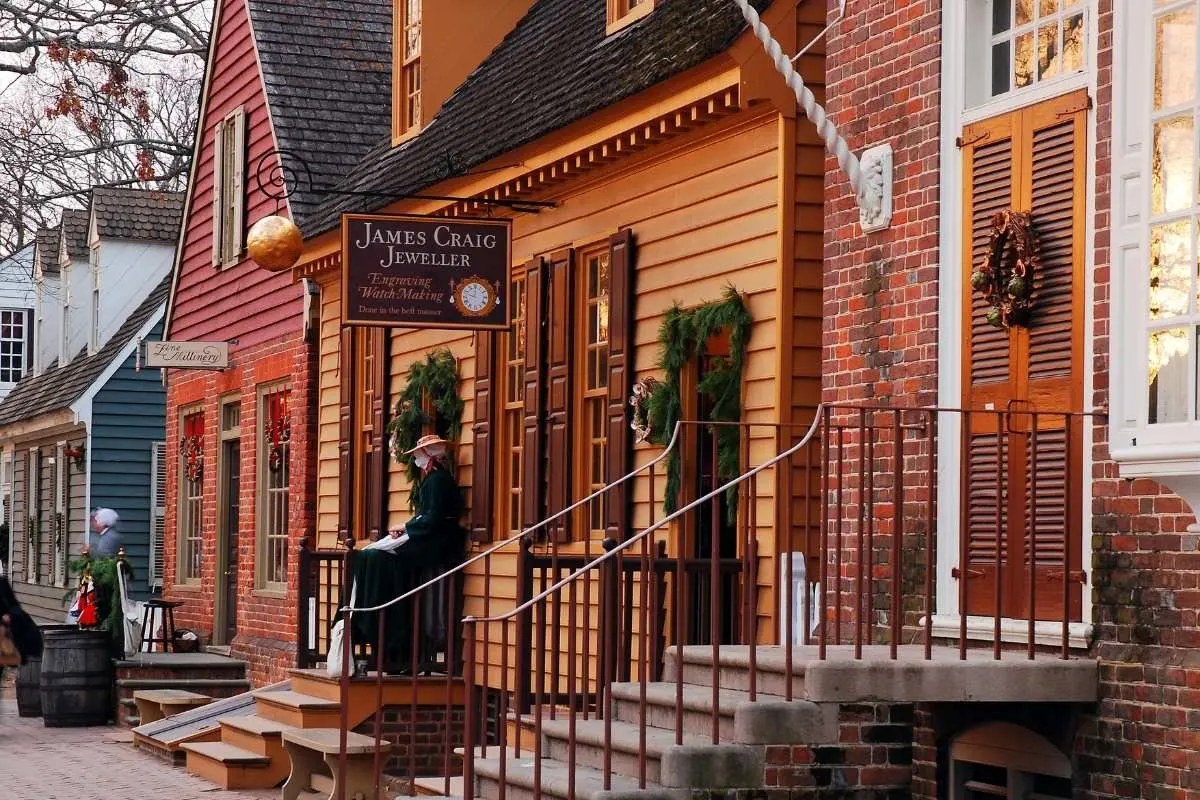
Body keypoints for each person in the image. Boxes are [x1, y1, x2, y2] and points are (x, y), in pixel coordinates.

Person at [352, 434, 466, 672]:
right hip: (429, 536)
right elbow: (425, 516)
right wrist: (406, 527)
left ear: (429, 455)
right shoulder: (433, 479)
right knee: (372, 553)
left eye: (418, 454)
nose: (416, 458)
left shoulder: (437, 480)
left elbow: (433, 518)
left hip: (436, 543)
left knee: (379, 557)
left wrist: (406, 528)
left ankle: (389, 626)